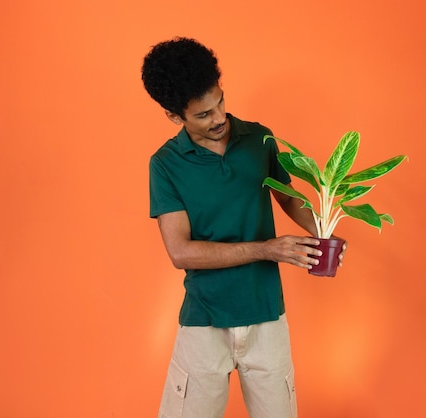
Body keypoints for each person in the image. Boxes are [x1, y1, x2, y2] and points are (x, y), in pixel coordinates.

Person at [141, 37, 345, 418]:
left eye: (220, 101)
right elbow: (181, 251)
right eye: (203, 114)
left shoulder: (258, 139)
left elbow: (287, 196)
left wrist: (324, 230)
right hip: (204, 319)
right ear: (174, 115)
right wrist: (268, 249)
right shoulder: (165, 165)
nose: (219, 117)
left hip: (267, 314)